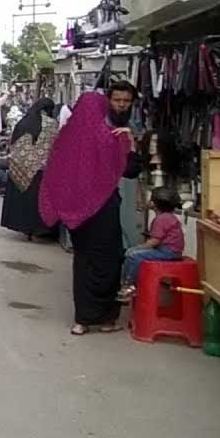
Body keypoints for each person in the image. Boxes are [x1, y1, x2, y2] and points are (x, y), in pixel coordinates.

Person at [39, 92, 140, 335]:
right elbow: (130, 171)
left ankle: (81, 320)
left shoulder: (66, 139)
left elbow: (53, 173)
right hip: (104, 210)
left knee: (82, 262)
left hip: (77, 215)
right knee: (108, 262)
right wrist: (132, 145)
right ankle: (106, 320)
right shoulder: (110, 138)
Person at [0, 98, 58, 239]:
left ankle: (24, 229)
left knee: (23, 199)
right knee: (36, 201)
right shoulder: (50, 124)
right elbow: (53, 145)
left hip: (19, 167)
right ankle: (39, 230)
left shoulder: (23, 122)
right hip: (40, 169)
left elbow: (13, 142)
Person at [117, 187, 185, 300]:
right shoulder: (170, 217)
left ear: (153, 204)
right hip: (173, 252)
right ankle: (128, 285)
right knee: (134, 254)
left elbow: (154, 241)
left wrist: (136, 248)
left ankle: (129, 287)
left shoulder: (161, 219)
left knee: (133, 256)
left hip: (167, 252)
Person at [107, 81, 143, 249]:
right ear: (109, 100)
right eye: (117, 100)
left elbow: (135, 166)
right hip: (103, 190)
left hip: (127, 185)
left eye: (126, 101)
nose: (121, 104)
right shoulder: (100, 124)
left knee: (126, 220)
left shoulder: (132, 126)